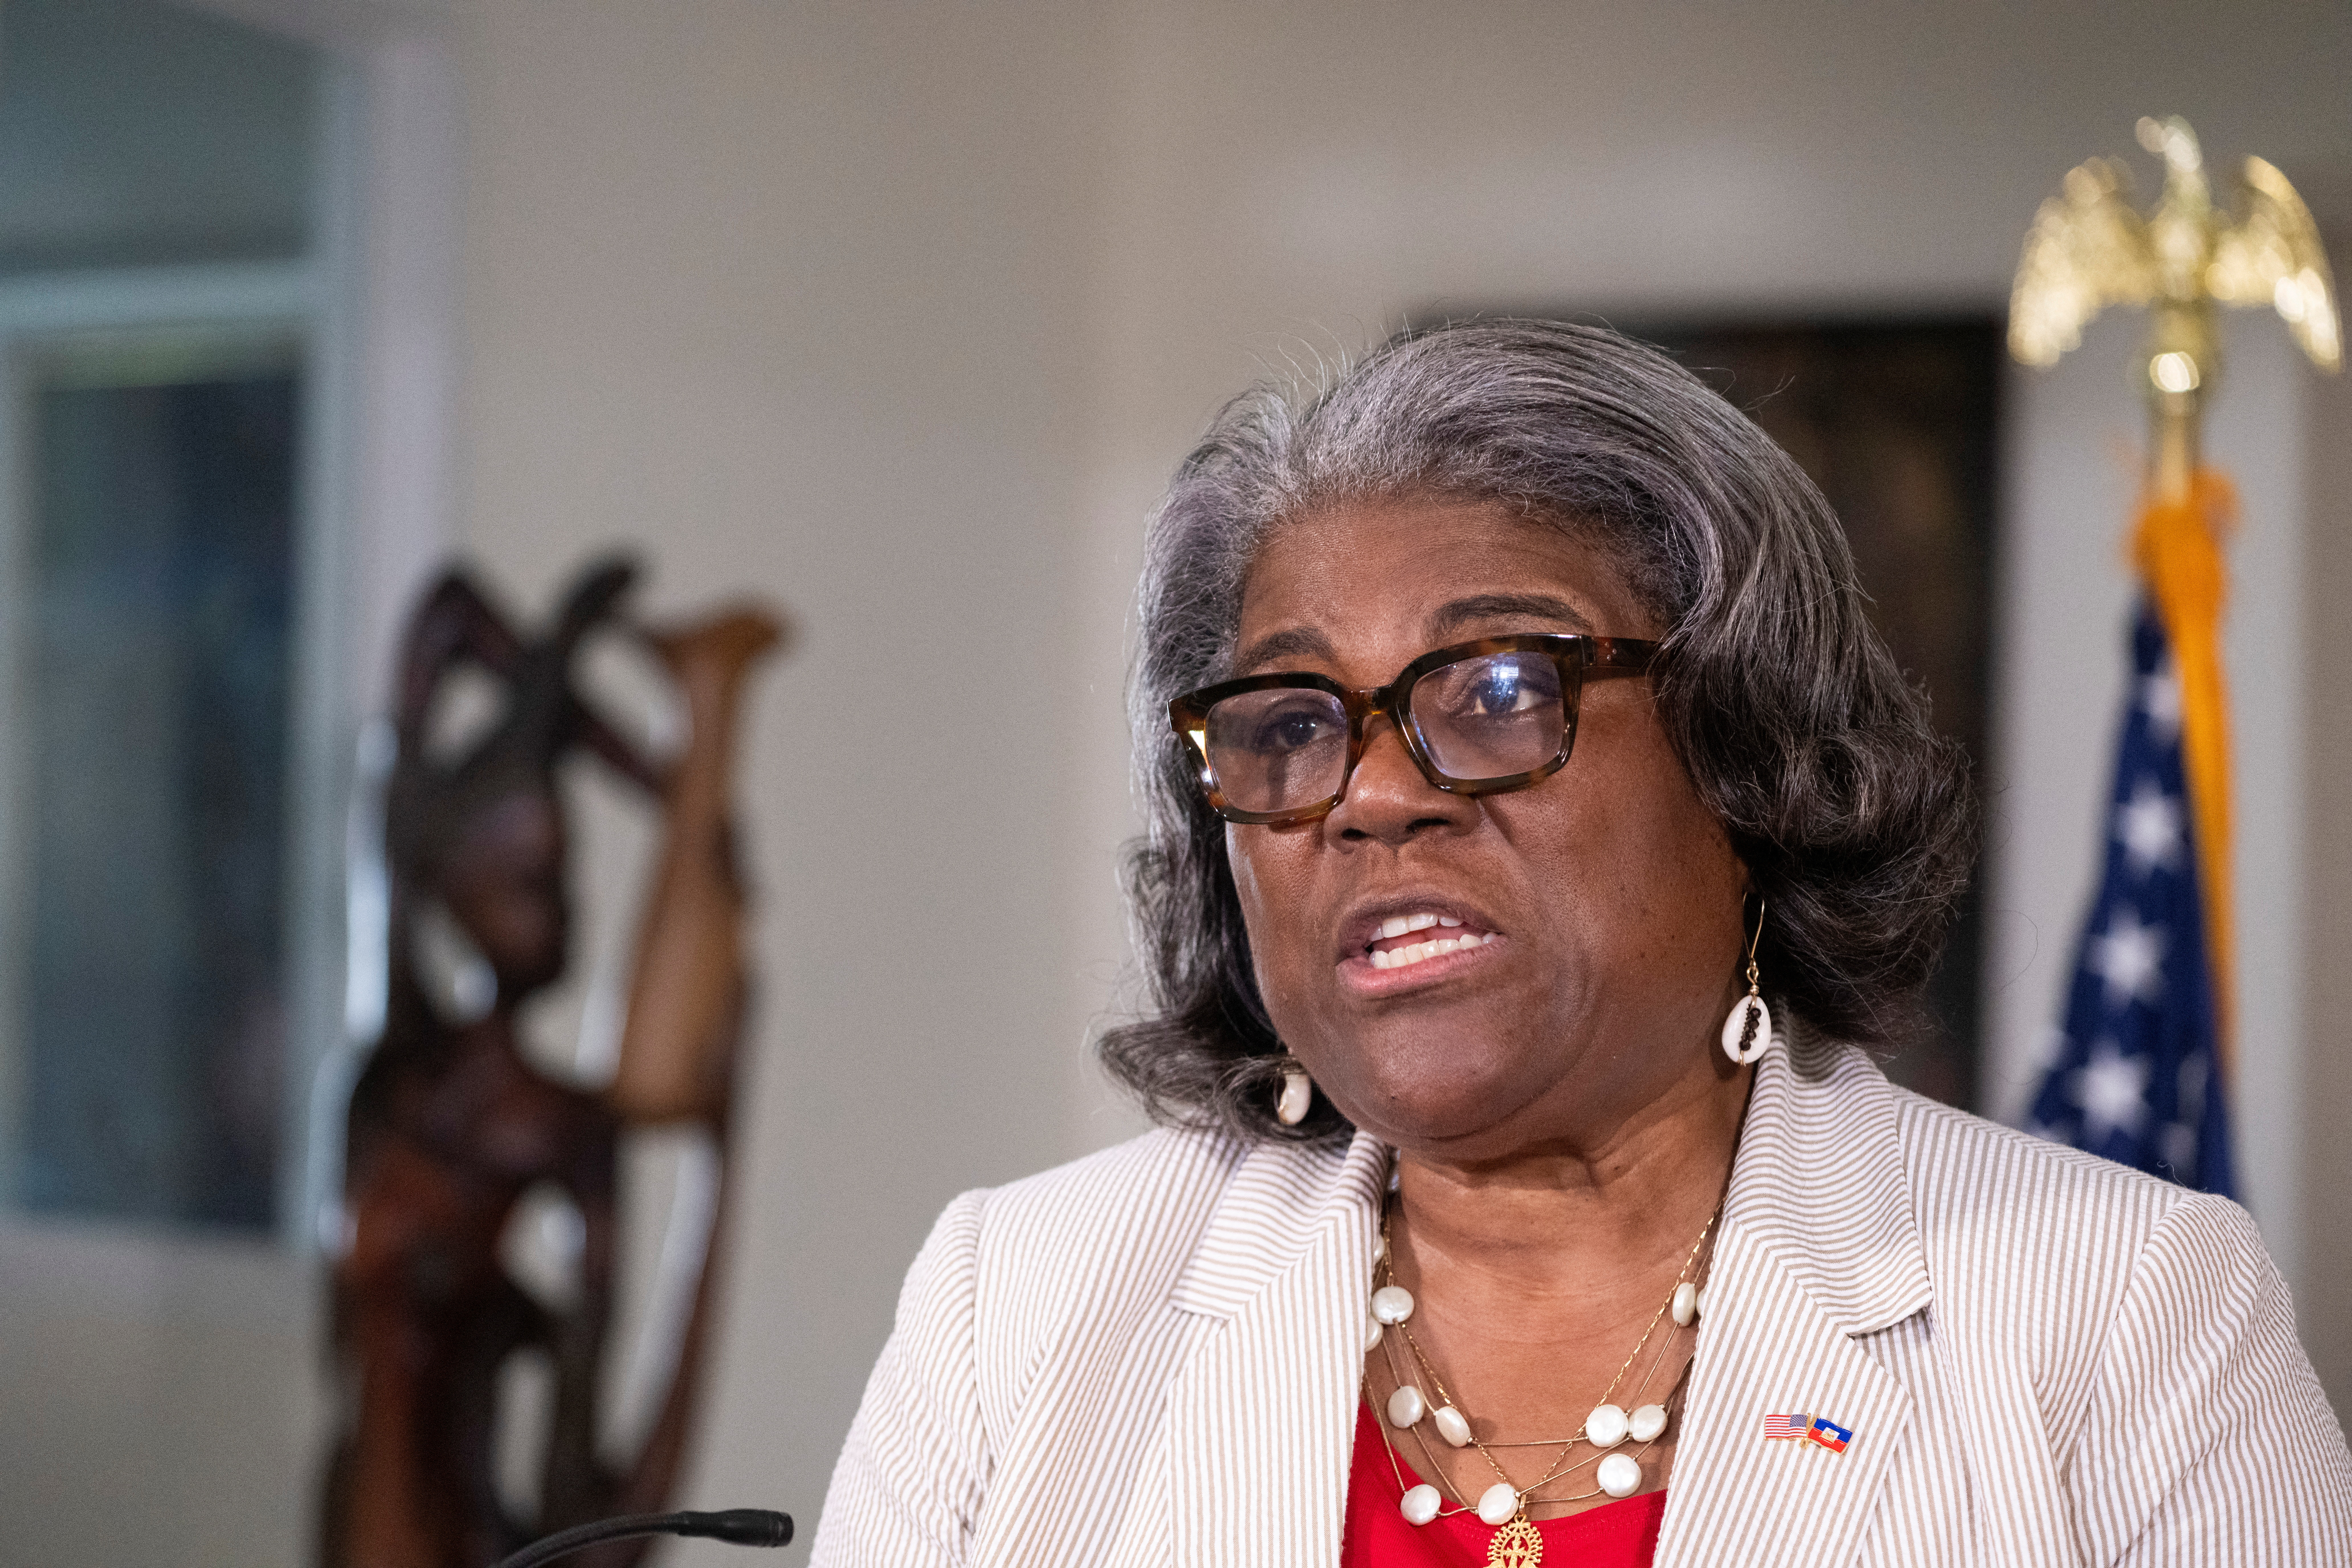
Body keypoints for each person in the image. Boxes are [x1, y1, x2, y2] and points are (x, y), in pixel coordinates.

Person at [810, 321, 2352, 1565]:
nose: (1373, 797)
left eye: (1495, 695)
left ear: (1748, 764)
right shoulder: (1014, 1306)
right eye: (1289, 726)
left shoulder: (2125, 1307)